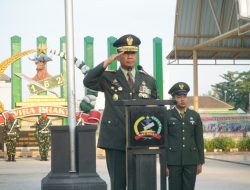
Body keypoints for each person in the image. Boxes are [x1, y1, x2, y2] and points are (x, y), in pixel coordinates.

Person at [83, 34, 158, 190]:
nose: (130, 57)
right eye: (125, 53)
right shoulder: (108, 77)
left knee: (140, 183)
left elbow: (155, 108)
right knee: (118, 183)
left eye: (133, 53)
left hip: (141, 138)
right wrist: (106, 63)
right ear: (118, 56)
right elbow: (88, 80)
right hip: (115, 138)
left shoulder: (148, 80)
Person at [166, 82, 205, 190]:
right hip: (173, 161)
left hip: (191, 160)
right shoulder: (167, 115)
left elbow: (199, 139)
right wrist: (164, 163)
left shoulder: (194, 115)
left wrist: (200, 162)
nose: (182, 99)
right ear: (173, 98)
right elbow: (164, 140)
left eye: (184, 96)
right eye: (178, 97)